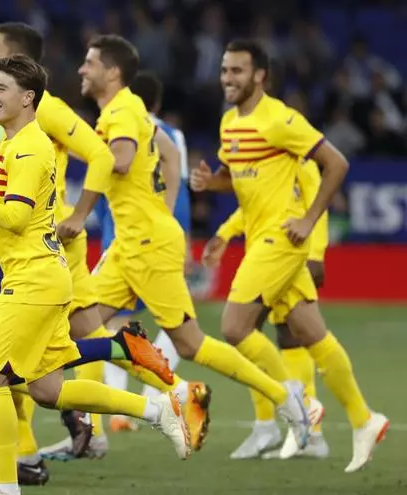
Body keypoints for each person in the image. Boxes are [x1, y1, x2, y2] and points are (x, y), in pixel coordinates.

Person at [0, 53, 190, 495]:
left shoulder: (31, 148)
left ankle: (5, 486)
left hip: (31, 279)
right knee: (48, 390)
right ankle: (156, 410)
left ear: (27, 98)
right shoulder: (10, 144)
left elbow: (14, 218)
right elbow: (1, 218)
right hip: (42, 275)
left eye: (0, 89)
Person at [58, 34, 316, 455]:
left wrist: (75, 158)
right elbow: (166, 151)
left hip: (147, 245)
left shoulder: (121, 111)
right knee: (78, 324)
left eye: (89, 63)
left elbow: (118, 161)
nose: (82, 70)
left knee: (190, 343)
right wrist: (163, 203)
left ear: (113, 72)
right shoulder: (133, 108)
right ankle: (172, 395)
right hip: (132, 241)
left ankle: (286, 399)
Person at [190, 38, 388, 472]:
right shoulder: (229, 123)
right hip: (260, 234)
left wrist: (309, 219)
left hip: (280, 240)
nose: (227, 78)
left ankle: (291, 401)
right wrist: (213, 185)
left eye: (237, 71)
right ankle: (363, 418)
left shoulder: (281, 119)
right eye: (224, 70)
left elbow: (336, 163)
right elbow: (236, 176)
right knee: (312, 334)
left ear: (259, 75)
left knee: (234, 326)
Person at [96, 70, 196, 434]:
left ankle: (124, 405)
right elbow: (178, 184)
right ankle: (155, 397)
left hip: (125, 233)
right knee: (175, 320)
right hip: (164, 228)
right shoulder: (174, 135)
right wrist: (178, 229)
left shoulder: (120, 124)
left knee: (110, 321)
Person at [206, 186, 330, 459]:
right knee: (271, 336)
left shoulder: (301, 158)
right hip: (268, 253)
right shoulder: (271, 158)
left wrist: (316, 254)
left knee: (252, 331)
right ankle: (299, 429)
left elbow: (316, 203)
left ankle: (285, 422)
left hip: (288, 254)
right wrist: (225, 232)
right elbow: (256, 201)